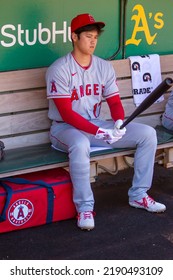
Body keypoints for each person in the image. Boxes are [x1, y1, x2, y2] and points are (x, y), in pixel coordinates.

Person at [46, 13, 166, 231]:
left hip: (96, 124)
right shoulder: (59, 68)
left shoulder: (103, 66)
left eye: (95, 37)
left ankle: (138, 194)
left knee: (147, 134)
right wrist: (99, 131)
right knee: (80, 144)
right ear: (74, 36)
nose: (93, 41)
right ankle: (84, 207)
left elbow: (114, 102)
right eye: (88, 36)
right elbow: (66, 114)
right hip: (65, 129)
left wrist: (119, 121)